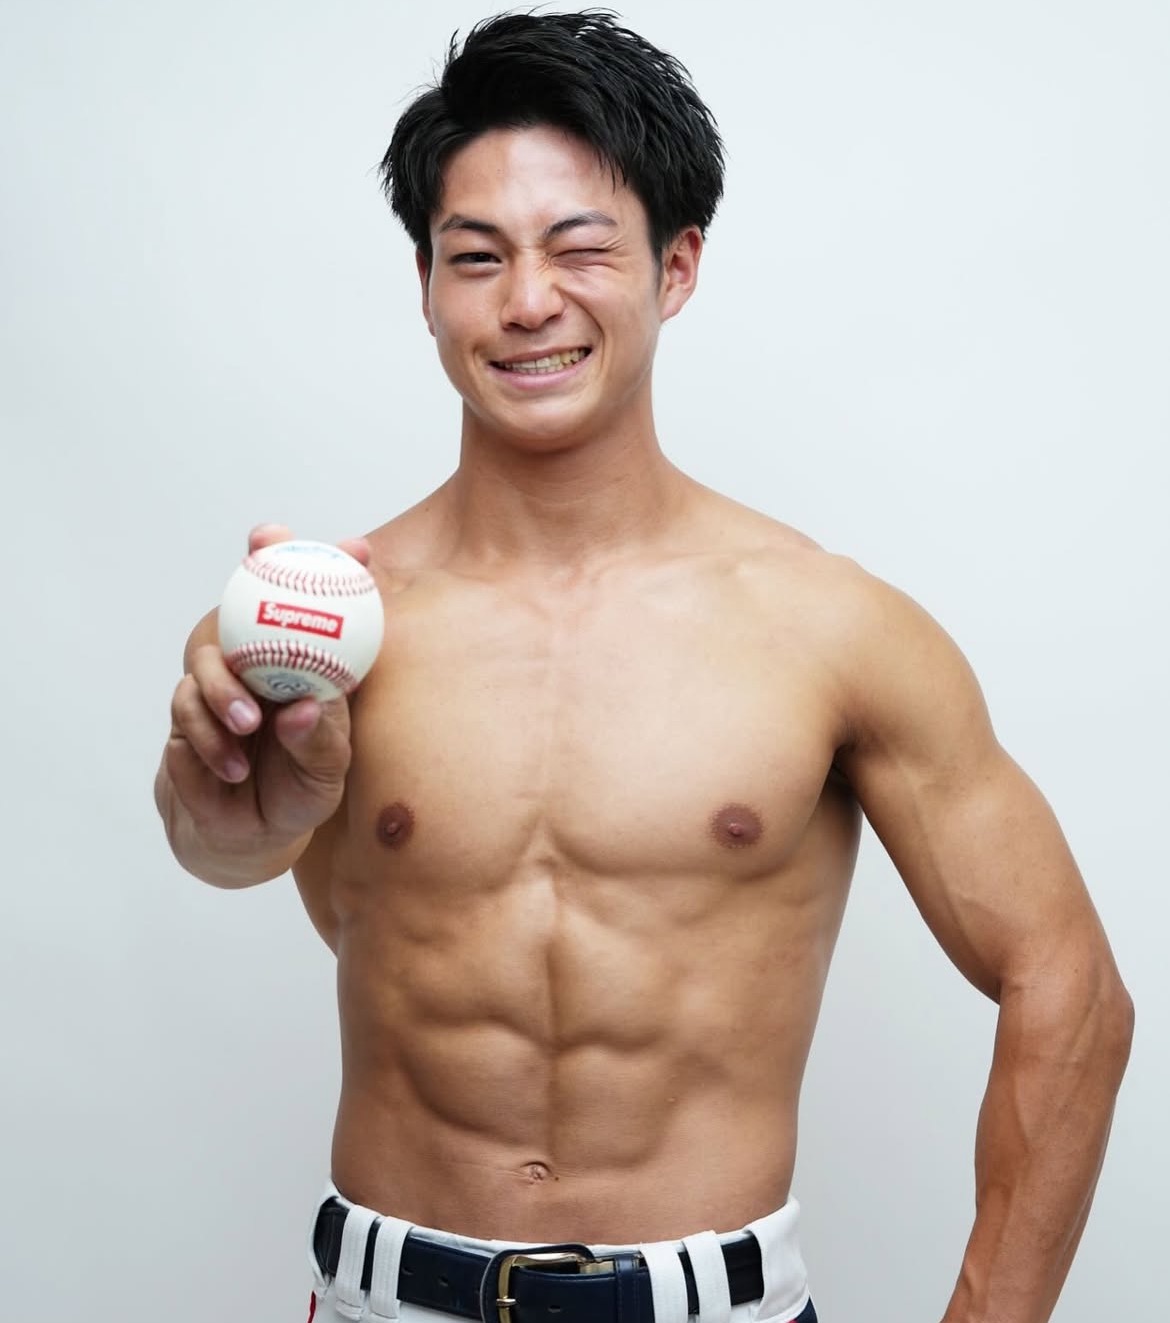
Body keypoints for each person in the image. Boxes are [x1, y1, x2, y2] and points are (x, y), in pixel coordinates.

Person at [156, 12, 1133, 1323]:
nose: (527, 304)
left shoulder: (827, 628)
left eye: (580, 249)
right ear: (426, 285)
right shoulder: (332, 626)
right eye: (476, 256)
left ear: (675, 268)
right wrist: (236, 820)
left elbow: (1068, 983)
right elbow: (221, 847)